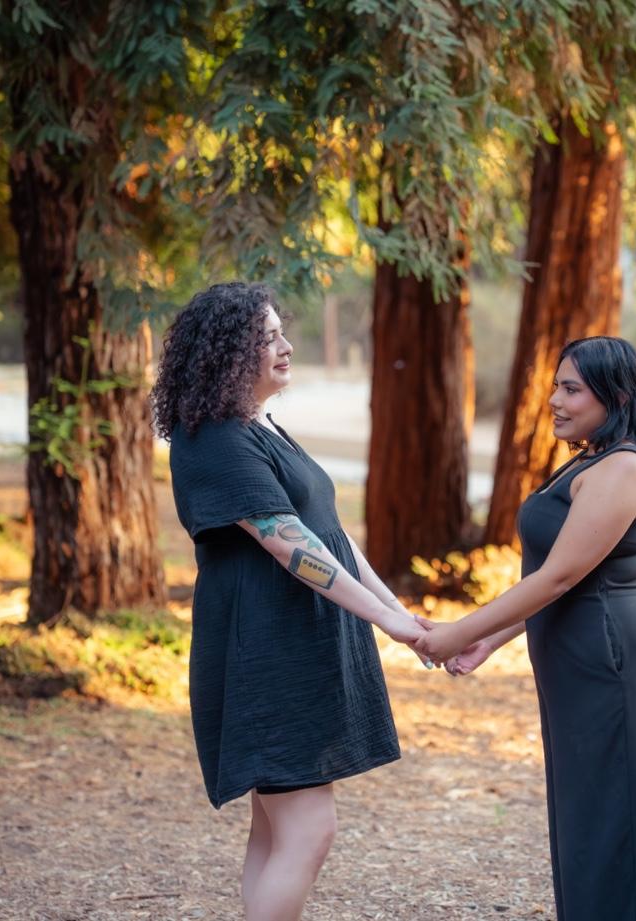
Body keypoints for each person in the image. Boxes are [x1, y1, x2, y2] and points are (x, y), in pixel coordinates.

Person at [150, 281, 428, 921]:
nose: (286, 346)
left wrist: (399, 616)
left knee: (276, 830)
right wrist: (388, 622)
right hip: (263, 652)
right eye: (267, 337)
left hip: (291, 644)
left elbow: (332, 537)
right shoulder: (215, 438)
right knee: (307, 829)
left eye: (282, 333)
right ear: (227, 353)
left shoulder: (259, 427)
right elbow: (289, 544)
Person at [416, 336, 636, 921]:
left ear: (617, 396)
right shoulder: (591, 459)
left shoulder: (623, 467)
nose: (554, 401)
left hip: (613, 660)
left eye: (571, 389)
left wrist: (457, 632)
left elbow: (560, 577)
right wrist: (490, 638)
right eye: (555, 387)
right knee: (587, 822)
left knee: (617, 828)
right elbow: (562, 575)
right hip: (578, 655)